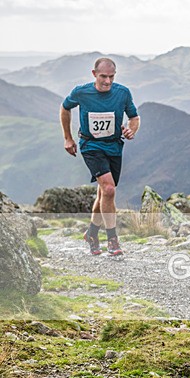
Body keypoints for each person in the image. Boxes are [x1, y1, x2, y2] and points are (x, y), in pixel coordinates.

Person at [60, 57, 139, 256]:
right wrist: (68, 138)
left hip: (113, 147)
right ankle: (112, 238)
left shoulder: (122, 93)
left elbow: (134, 117)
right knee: (109, 189)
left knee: (104, 193)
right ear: (94, 74)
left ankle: (92, 233)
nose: (107, 81)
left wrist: (131, 130)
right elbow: (65, 108)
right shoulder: (82, 92)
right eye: (103, 76)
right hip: (90, 145)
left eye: (111, 77)